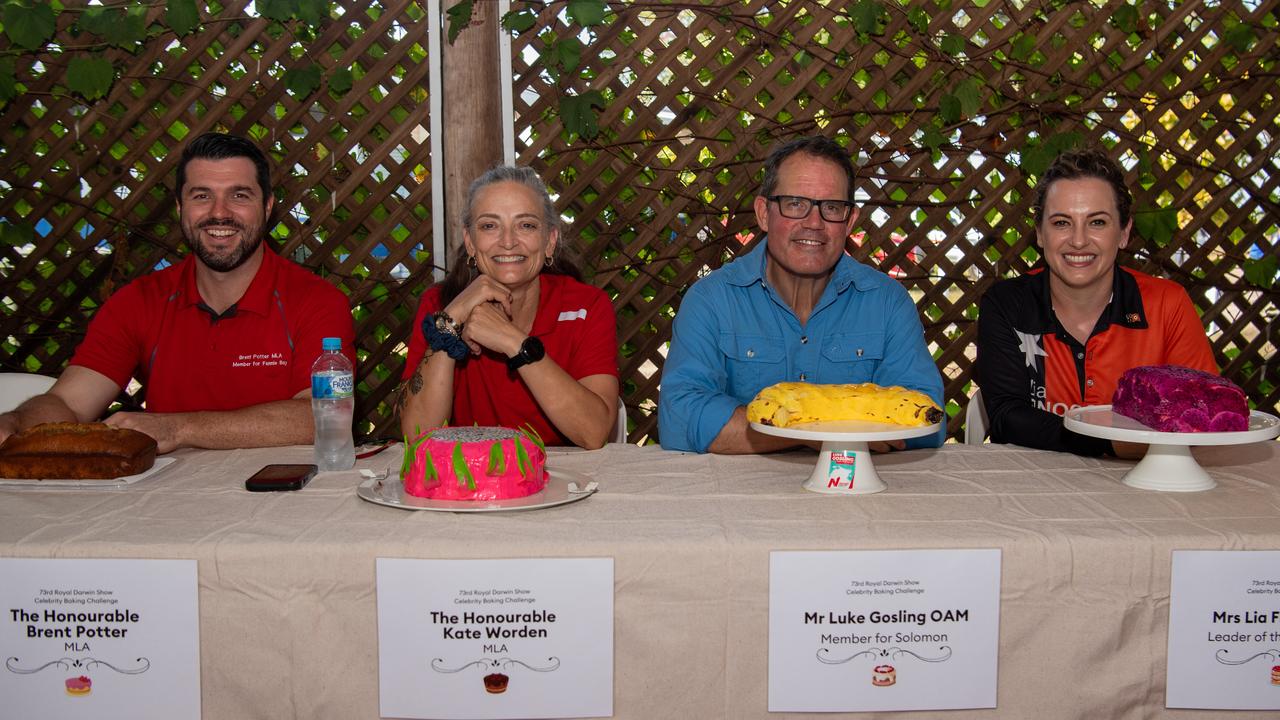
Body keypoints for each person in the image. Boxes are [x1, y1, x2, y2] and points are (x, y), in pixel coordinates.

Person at [0, 132, 355, 452]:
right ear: (180, 207)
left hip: (282, 501)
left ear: (266, 207)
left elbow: (322, 419)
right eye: (202, 196)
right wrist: (15, 425)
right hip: (163, 506)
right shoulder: (138, 302)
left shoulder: (316, 301)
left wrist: (177, 428)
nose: (219, 213)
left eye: (239, 195)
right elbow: (69, 403)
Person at [658, 135, 945, 454]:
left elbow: (926, 421)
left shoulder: (888, 302)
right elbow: (680, 420)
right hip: (740, 496)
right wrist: (807, 430)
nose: (814, 223)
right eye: (796, 204)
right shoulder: (711, 301)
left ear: (849, 222)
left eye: (832, 207)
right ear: (764, 213)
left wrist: (765, 427)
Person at [975, 149, 1217, 455]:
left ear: (1124, 232)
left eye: (1097, 222)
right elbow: (1007, 418)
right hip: (1036, 487)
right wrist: (1113, 445)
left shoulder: (1167, 303)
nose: (1078, 240)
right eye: (1062, 223)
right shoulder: (1007, 304)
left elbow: (1201, 412)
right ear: (1039, 232)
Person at [398, 166, 619, 449]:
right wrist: (451, 323)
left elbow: (593, 433)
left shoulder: (587, 305)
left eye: (526, 225)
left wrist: (511, 340)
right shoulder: (439, 306)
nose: (508, 241)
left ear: (549, 241)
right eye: (490, 226)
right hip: (468, 481)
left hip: (564, 482)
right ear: (470, 242)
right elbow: (417, 436)